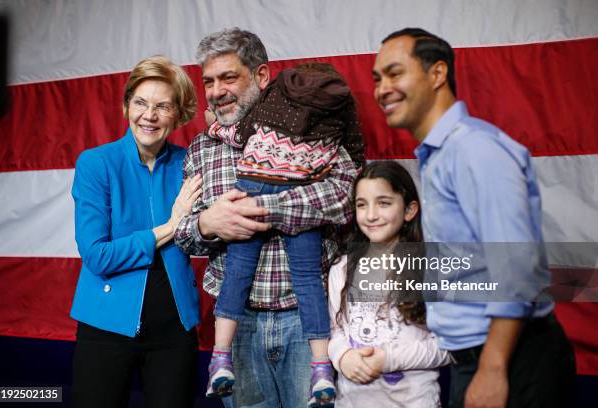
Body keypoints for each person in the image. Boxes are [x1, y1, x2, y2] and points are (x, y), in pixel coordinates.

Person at [372, 28, 575, 408]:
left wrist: (493, 368)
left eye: (395, 73)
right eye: (377, 78)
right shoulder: (440, 155)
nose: (382, 88)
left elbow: (516, 266)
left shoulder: (473, 149)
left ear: (437, 74)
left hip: (511, 361)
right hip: (474, 358)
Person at [174, 28, 360, 408]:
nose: (216, 91)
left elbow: (346, 197)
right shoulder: (202, 149)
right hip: (236, 322)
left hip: (305, 322)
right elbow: (184, 231)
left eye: (228, 77)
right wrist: (209, 223)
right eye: (208, 81)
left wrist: (262, 207)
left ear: (261, 77)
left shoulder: (309, 125)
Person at [70, 55, 203, 408]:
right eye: (141, 103)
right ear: (127, 105)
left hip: (175, 329)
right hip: (105, 326)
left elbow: (209, 233)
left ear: (178, 114)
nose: (149, 115)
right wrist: (171, 227)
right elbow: (98, 255)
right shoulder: (96, 163)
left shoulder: (191, 163)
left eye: (163, 106)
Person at [328, 161, 450, 407]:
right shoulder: (342, 268)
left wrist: (388, 359)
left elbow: (447, 347)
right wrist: (343, 357)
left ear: (409, 210)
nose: (371, 215)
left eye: (384, 203)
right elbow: (335, 331)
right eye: (362, 205)